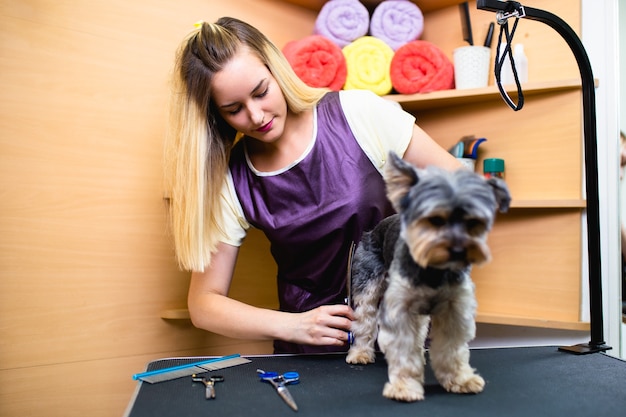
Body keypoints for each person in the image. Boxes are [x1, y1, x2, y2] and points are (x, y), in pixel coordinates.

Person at [164, 17, 461, 354]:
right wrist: (294, 325)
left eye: (261, 92)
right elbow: (203, 304)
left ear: (276, 69)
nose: (257, 116)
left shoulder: (359, 113)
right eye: (234, 110)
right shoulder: (232, 178)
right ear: (217, 116)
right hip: (310, 355)